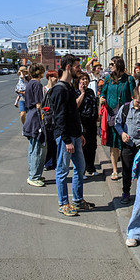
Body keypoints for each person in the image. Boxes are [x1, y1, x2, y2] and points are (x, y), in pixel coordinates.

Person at [50, 54, 95, 217]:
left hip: (75, 135)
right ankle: (63, 203)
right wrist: (67, 139)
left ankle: (77, 200)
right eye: (77, 66)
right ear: (68, 67)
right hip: (65, 137)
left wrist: (80, 133)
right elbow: (59, 117)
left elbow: (73, 113)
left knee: (80, 167)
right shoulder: (59, 89)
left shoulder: (69, 87)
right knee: (62, 170)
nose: (80, 69)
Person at [100, 56, 136, 181]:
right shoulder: (108, 79)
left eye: (112, 64)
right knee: (114, 143)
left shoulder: (129, 79)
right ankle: (115, 170)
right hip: (111, 114)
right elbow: (103, 92)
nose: (110, 66)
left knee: (126, 143)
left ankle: (128, 169)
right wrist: (102, 98)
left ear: (118, 64)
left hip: (125, 115)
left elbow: (133, 96)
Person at [114, 89, 140, 204]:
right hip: (128, 144)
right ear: (132, 98)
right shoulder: (125, 108)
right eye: (138, 101)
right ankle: (126, 192)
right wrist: (122, 133)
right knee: (126, 170)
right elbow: (117, 123)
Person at [23, 63, 47, 187]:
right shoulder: (37, 84)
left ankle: (34, 173)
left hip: (30, 117)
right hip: (35, 119)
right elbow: (39, 105)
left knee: (33, 149)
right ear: (39, 72)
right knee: (38, 149)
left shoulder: (29, 84)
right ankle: (34, 176)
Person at [76, 72, 100, 179]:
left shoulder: (90, 92)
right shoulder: (76, 92)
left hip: (92, 122)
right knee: (83, 146)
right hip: (82, 122)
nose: (85, 81)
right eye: (82, 79)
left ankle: (91, 168)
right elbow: (76, 105)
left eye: (86, 79)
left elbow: (94, 104)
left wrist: (97, 116)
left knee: (92, 145)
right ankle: (82, 170)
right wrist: (82, 93)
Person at [43, 70, 59, 171]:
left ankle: (55, 162)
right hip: (47, 118)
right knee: (48, 141)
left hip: (56, 118)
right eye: (55, 77)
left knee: (55, 141)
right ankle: (48, 162)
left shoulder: (57, 89)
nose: (57, 79)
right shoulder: (44, 89)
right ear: (49, 77)